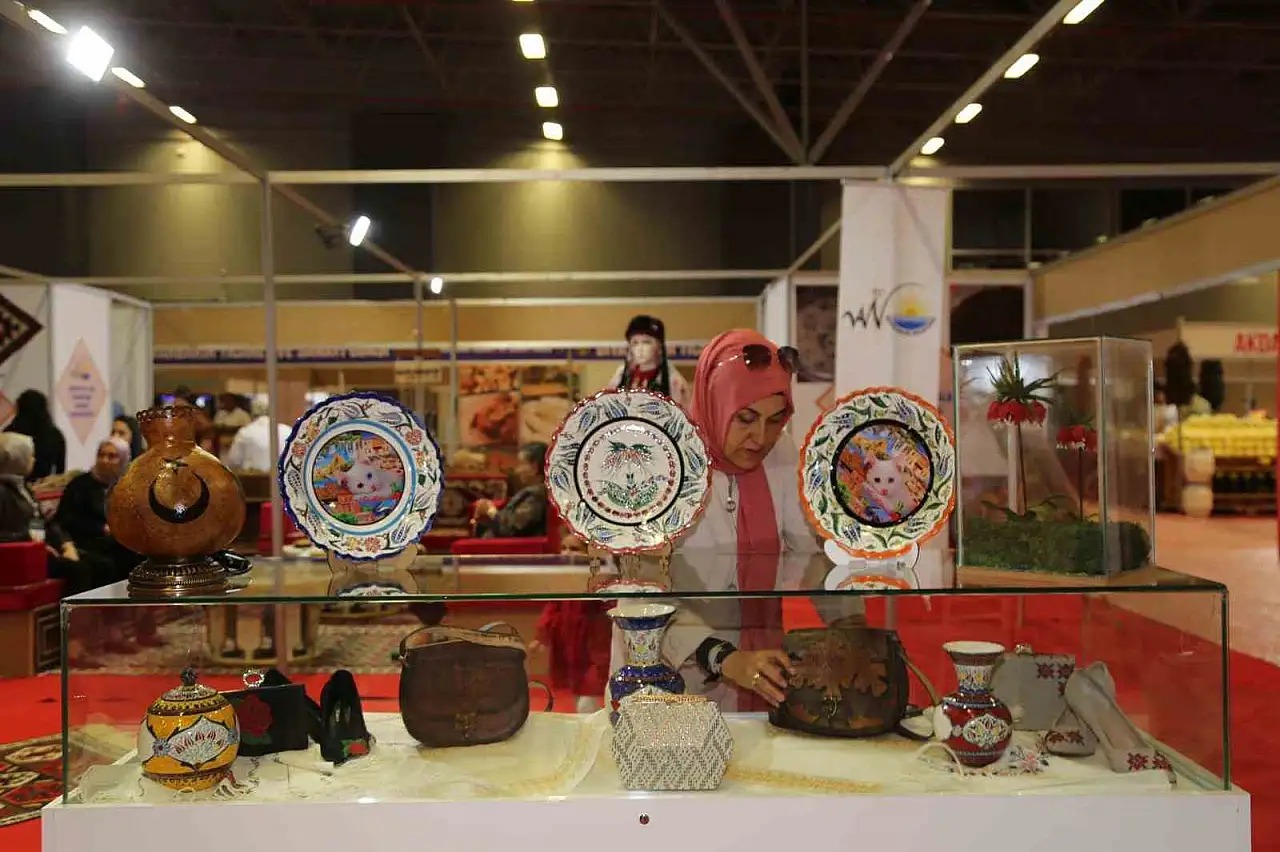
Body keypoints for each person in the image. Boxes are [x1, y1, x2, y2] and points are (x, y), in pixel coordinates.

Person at [617, 330, 823, 712]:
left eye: (776, 419)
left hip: (761, 673)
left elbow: (807, 552)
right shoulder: (661, 464)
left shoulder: (781, 453)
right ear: (715, 402)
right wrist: (723, 657)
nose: (760, 437)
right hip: (666, 685)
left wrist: (850, 622)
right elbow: (640, 591)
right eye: (745, 418)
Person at [606, 315, 690, 406]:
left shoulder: (673, 381)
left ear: (659, 347)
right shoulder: (621, 376)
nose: (640, 349)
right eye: (635, 343)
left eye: (646, 342)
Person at [472, 442, 549, 539]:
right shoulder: (532, 492)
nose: (517, 470)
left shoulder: (537, 495)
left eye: (521, 464)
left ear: (535, 467)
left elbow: (509, 528)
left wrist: (490, 510)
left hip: (510, 546)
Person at [5, 389, 66, 481]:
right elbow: (60, 472)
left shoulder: (10, 434)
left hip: (13, 487)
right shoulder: (55, 435)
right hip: (43, 487)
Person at [225, 398, 291, 471]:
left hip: (252, 477)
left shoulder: (244, 432)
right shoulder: (288, 430)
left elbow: (233, 461)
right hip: (282, 476)